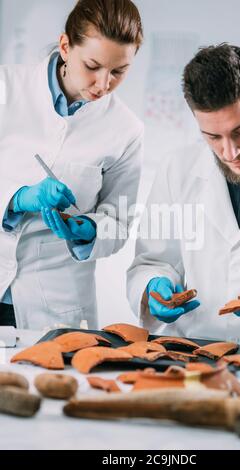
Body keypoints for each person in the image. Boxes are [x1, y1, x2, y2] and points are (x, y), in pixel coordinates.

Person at [127, 44, 240, 350]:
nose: (230, 152)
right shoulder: (177, 170)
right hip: (191, 358)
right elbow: (151, 262)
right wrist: (153, 286)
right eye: (213, 137)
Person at [0, 0, 144, 329]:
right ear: (66, 46)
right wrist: (17, 198)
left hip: (52, 307)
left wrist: (91, 230)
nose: (103, 84)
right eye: (92, 65)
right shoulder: (6, 90)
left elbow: (119, 221)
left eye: (118, 71)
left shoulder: (127, 130)